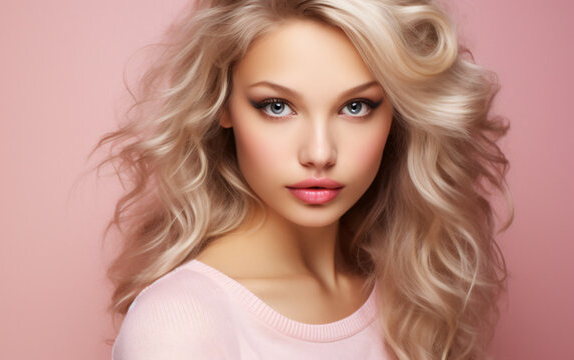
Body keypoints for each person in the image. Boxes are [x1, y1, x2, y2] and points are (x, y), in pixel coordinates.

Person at [90, 0, 513, 358]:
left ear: (396, 116)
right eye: (276, 106)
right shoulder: (180, 324)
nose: (319, 153)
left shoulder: (410, 294)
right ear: (222, 105)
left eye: (356, 107)